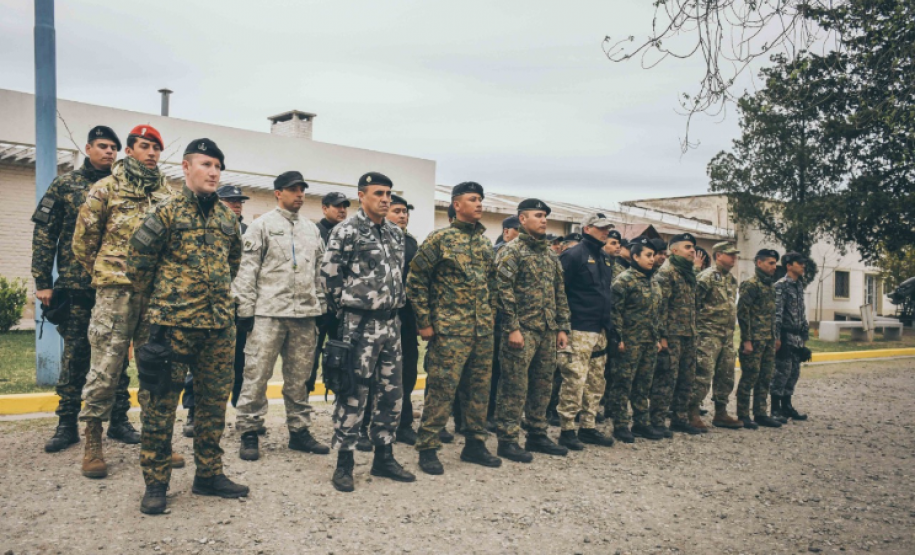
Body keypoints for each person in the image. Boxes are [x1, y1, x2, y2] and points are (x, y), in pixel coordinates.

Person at [127, 138, 249, 514]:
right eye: (206, 165)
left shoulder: (228, 218)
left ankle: (209, 475)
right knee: (159, 409)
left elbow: (233, 262)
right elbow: (137, 267)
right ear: (185, 167)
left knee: (212, 407)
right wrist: (164, 306)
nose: (213, 172)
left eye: (218, 167)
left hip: (217, 328)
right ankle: (156, 483)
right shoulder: (164, 213)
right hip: (170, 328)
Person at [72, 124, 174, 478]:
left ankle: (156, 440)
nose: (151, 153)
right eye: (144, 146)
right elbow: (83, 243)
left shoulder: (167, 194)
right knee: (106, 368)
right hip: (115, 293)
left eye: (156, 148)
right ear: (129, 150)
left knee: (156, 367)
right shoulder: (105, 189)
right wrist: (108, 274)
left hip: (155, 295)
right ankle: (93, 441)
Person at [32, 126, 135, 453]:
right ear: (88, 148)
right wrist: (43, 282)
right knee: (75, 356)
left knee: (116, 355)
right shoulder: (65, 185)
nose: (108, 152)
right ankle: (66, 425)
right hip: (76, 286)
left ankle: (119, 421)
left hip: (115, 287)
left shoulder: (125, 188)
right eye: (102, 146)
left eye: (113, 148)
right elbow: (45, 235)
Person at [321, 171, 415, 493]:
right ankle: (344, 461)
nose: (385, 199)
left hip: (392, 323)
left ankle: (384, 456)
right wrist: (347, 312)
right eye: (378, 193)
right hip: (359, 324)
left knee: (391, 391)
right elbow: (330, 277)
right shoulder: (345, 230)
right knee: (353, 391)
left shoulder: (395, 233)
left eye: (388, 193)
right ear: (361, 196)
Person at [233, 171, 330, 460]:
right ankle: (249, 431)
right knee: (256, 374)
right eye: (293, 189)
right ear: (278, 193)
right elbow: (247, 270)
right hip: (268, 315)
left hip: (304, 315)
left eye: (302, 189)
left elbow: (319, 271)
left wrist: (322, 306)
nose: (299, 194)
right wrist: (245, 309)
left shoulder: (312, 229)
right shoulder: (261, 226)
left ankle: (299, 431)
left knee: (299, 378)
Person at [409, 181, 502, 475]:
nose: (479, 204)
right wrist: (424, 321)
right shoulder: (440, 239)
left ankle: (474, 444)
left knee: (479, 391)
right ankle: (428, 447)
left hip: (482, 332)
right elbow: (416, 280)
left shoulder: (486, 243)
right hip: (449, 331)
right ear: (456, 205)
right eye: (473, 199)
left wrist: (491, 316)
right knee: (441, 390)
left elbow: (492, 285)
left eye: (481, 200)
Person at [493, 199, 571, 462]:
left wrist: (562, 327)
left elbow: (560, 292)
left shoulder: (550, 254)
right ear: (522, 219)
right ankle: (507, 439)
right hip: (522, 331)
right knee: (514, 386)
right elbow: (502, 292)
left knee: (543, 385)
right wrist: (512, 327)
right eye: (538, 215)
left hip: (547, 330)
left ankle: (537, 434)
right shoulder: (511, 251)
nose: (544, 220)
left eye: (546, 215)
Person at [183, 184, 251, 438]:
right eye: (231, 200)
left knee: (240, 364)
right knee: (198, 363)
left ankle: (240, 415)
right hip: (206, 307)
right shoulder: (205, 227)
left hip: (238, 307)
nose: (237, 205)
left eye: (239, 201)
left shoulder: (246, 231)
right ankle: (192, 413)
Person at [555, 213, 617, 450]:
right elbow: (560, 292)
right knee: (574, 379)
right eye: (601, 228)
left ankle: (588, 426)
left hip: (599, 328)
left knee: (595, 381)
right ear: (587, 228)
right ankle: (567, 429)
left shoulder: (604, 256)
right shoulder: (573, 255)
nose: (606, 232)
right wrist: (563, 327)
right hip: (578, 328)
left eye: (608, 229)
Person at [608, 237, 664, 442]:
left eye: (653, 255)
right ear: (635, 256)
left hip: (648, 341)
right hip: (629, 341)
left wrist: (657, 337)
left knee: (644, 383)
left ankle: (641, 423)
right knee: (623, 383)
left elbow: (656, 313)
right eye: (648, 255)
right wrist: (619, 338)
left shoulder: (654, 281)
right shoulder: (624, 280)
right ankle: (620, 424)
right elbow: (615, 312)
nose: (652, 259)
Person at [649, 233, 702, 436]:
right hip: (670, 335)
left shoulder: (688, 273)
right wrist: (661, 336)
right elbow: (659, 307)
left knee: (686, 378)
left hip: (688, 333)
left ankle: (679, 418)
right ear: (674, 250)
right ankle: (657, 420)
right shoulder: (666, 273)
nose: (692, 251)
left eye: (693, 247)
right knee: (666, 378)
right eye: (688, 247)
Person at [691, 242, 743, 430]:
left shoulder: (731, 280)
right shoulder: (706, 277)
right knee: (702, 374)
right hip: (708, 334)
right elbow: (693, 305)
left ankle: (721, 412)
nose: (734, 258)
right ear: (718, 255)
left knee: (726, 374)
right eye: (730, 255)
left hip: (726, 335)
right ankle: (692, 412)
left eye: (735, 255)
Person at [309, 192, 352, 397]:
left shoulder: (350, 234)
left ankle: (340, 401)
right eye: (337, 206)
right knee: (310, 358)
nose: (342, 210)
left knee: (341, 357)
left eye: (344, 206)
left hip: (340, 308)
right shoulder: (313, 233)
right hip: (317, 308)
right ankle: (303, 405)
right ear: (324, 208)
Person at [736, 249, 784, 429]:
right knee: (749, 377)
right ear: (759, 263)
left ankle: (761, 412)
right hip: (754, 340)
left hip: (768, 340)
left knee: (765, 377)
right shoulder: (751, 285)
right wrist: (746, 339)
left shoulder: (770, 286)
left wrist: (775, 337)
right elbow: (743, 313)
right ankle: (743, 414)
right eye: (770, 263)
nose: (774, 267)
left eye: (774, 263)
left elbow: (772, 315)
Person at [772, 252, 810, 421]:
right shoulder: (781, 286)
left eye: (803, 263)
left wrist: (804, 338)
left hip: (797, 336)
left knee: (794, 372)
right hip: (785, 335)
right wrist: (777, 338)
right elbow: (777, 314)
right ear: (789, 265)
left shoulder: (799, 285)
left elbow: (801, 312)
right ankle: (775, 408)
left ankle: (787, 405)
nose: (803, 265)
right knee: (781, 373)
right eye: (799, 262)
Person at [600, 229, 624, 420]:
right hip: (600, 320)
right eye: (613, 243)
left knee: (612, 368)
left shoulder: (620, 269)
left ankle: (609, 405)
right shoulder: (600, 263)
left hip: (614, 322)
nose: (617, 247)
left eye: (618, 244)